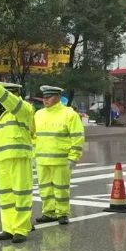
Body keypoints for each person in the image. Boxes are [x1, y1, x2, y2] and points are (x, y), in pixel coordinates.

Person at [0, 68, 35, 244]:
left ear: (13, 94)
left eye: (4, 95)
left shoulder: (23, 109)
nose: (0, 100)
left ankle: (21, 229)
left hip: (19, 157)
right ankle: (8, 228)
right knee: (5, 197)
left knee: (21, 194)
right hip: (2, 161)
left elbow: (11, 102)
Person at [34, 86, 85, 225]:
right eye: (44, 97)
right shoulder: (38, 114)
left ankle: (62, 213)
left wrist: (73, 158)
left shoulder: (69, 114)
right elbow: (33, 136)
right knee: (44, 188)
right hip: (42, 160)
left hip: (60, 160)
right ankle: (49, 212)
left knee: (61, 188)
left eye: (48, 97)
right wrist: (34, 155)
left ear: (57, 97)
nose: (45, 100)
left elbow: (78, 137)